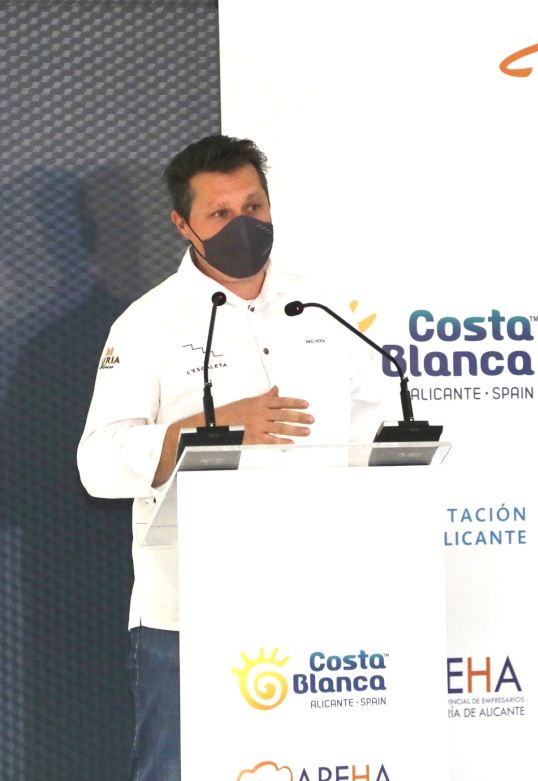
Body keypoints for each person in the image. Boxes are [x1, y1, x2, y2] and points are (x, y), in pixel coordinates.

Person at [77, 135, 394, 781]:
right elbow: (98, 464)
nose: (243, 224)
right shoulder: (147, 324)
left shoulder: (326, 308)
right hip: (191, 612)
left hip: (321, 600)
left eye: (253, 206)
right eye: (220, 213)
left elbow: (375, 431)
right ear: (183, 224)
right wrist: (212, 426)